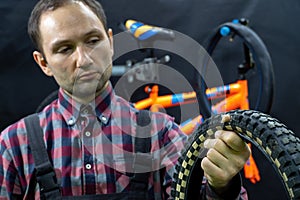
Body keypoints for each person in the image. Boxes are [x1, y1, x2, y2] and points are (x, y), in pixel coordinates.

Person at [0, 0, 250, 199]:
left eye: (93, 40)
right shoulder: (15, 145)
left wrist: (221, 186)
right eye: (64, 49)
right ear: (43, 62)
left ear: (110, 42)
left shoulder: (159, 133)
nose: (84, 59)